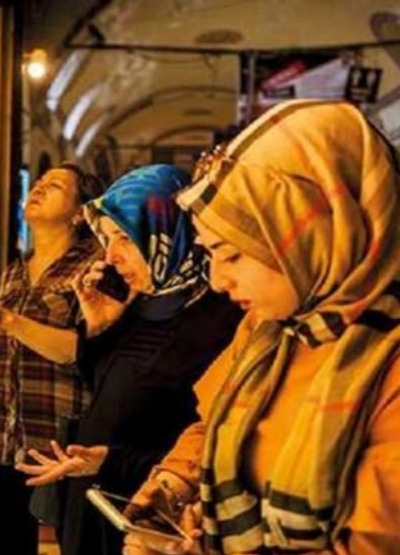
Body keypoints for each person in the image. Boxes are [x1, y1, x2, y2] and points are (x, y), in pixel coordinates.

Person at [123, 99, 400, 555]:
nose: (218, 280)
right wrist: (173, 486)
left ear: (314, 238)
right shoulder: (268, 329)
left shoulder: (388, 362)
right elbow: (215, 422)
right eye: (210, 254)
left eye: (233, 255)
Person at [15, 164, 242, 555]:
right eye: (106, 238)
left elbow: (210, 442)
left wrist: (114, 462)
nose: (112, 255)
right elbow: (106, 390)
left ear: (167, 231)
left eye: (124, 237)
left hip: (150, 511)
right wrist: (99, 328)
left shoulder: (221, 317)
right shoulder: (143, 301)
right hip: (93, 496)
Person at [0, 163, 103, 555]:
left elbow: (79, 351)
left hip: (56, 446)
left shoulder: (92, 269)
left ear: (79, 213)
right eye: (39, 182)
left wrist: (5, 317)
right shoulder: (13, 272)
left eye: (55, 185)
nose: (39, 189)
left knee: (69, 545)